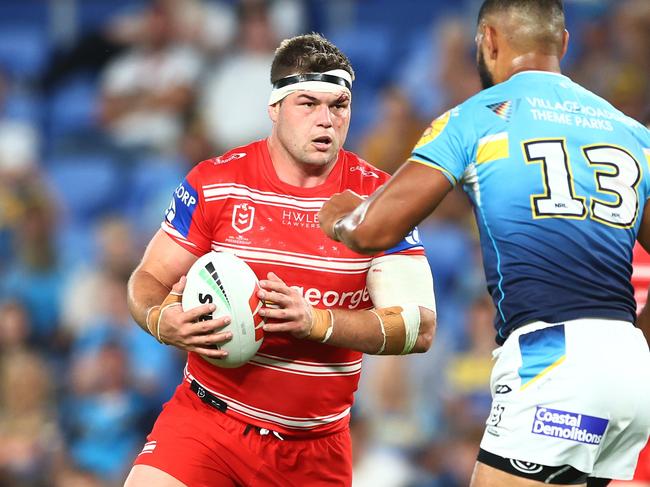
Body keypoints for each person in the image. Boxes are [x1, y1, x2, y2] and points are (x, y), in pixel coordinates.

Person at [319, 1, 650, 486]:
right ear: (562, 43)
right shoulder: (632, 133)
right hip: (629, 366)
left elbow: (374, 231)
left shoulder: (475, 118)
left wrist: (339, 218)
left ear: (488, 41)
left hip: (550, 358)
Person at [124, 33, 437, 487]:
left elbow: (418, 327)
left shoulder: (377, 200)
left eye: (339, 105)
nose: (326, 120)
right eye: (308, 104)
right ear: (275, 108)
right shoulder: (216, 183)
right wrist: (160, 319)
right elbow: (149, 277)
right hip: (207, 424)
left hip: (314, 449)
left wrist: (316, 321)